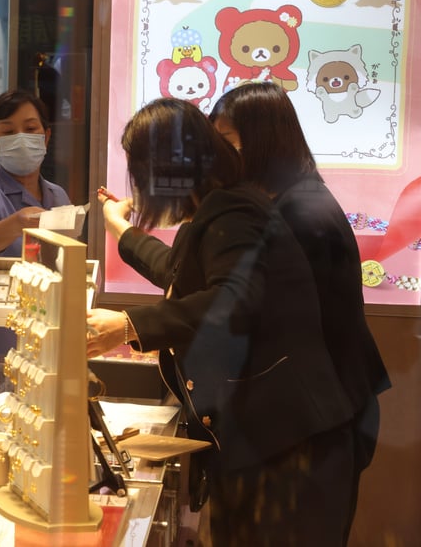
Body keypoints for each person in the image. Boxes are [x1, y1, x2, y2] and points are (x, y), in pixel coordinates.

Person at [86, 98, 356, 545]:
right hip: (266, 441)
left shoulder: (231, 210)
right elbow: (178, 271)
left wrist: (129, 325)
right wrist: (122, 231)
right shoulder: (218, 209)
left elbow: (235, 298)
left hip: (288, 448)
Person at [209, 81, 390, 538]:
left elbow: (243, 308)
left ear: (262, 140)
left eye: (226, 142)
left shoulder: (300, 214)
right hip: (305, 420)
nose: (217, 157)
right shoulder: (287, 202)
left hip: (313, 430)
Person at [0, 89, 71, 369]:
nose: (20, 138)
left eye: (30, 129)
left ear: (46, 136)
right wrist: (18, 223)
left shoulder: (58, 196)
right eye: (8, 132)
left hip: (44, 349)